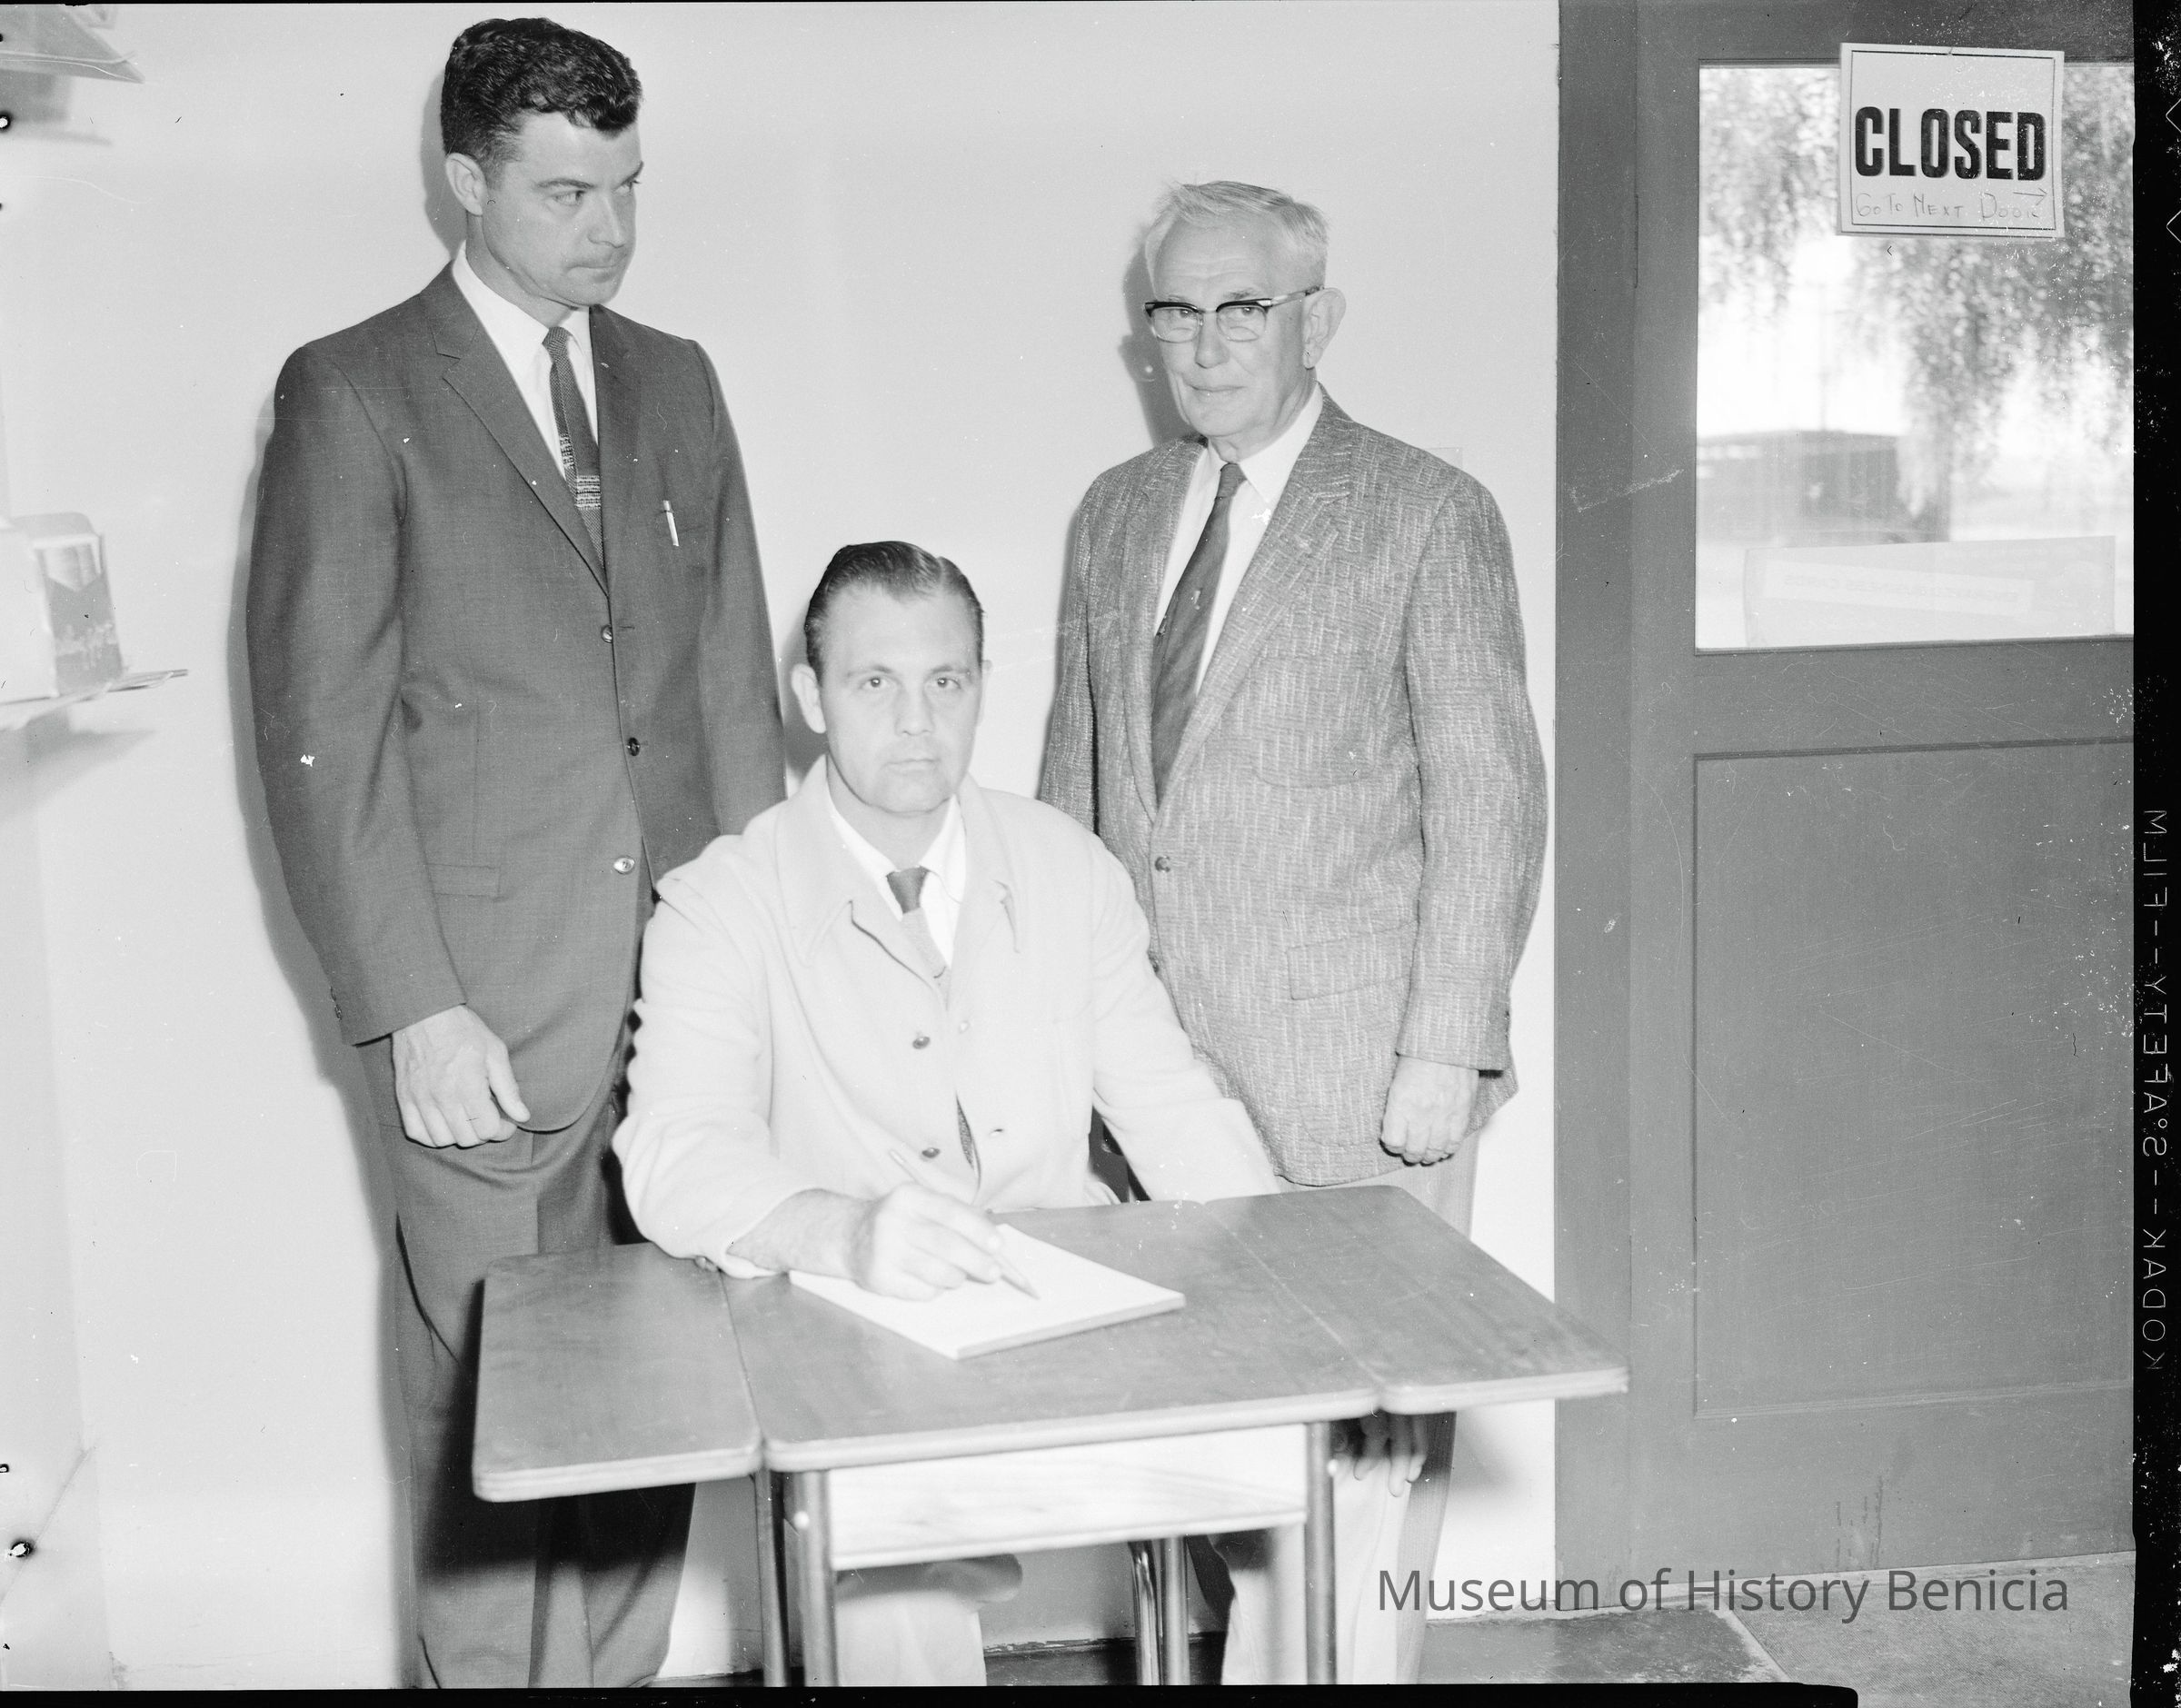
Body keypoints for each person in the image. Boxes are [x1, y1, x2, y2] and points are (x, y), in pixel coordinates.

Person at [244, 17, 783, 1687]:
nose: (608, 231)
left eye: (627, 188)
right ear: (466, 182)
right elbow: (319, 734)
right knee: (482, 1413)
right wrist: (413, 1005)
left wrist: (763, 974)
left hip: (676, 1001)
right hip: (477, 1006)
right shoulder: (353, 390)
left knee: (661, 1386)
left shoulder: (677, 379)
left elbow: (730, 693)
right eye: (564, 195)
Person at [613, 541, 1281, 1685]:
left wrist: (1295, 1302)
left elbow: (1173, 1107)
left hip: (1079, 1321)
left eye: (947, 681)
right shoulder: (720, 899)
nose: (916, 721)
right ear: (812, 696)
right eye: (875, 681)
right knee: (881, 1571)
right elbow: (675, 1150)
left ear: (980, 688)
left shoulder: (1069, 866)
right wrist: (843, 1230)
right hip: (859, 1343)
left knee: (1340, 1483)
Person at [1039, 180, 1548, 1682]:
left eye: (1241, 309)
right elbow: (1073, 788)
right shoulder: (1116, 515)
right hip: (1155, 1084)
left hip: (1359, 1081)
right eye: (1174, 313)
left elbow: (1491, 796)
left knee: (1360, 1467)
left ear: (1315, 320)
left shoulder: (1426, 512)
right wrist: (1049, 1037)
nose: (1202, 345)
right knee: (1212, 1450)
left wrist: (1447, 1050)